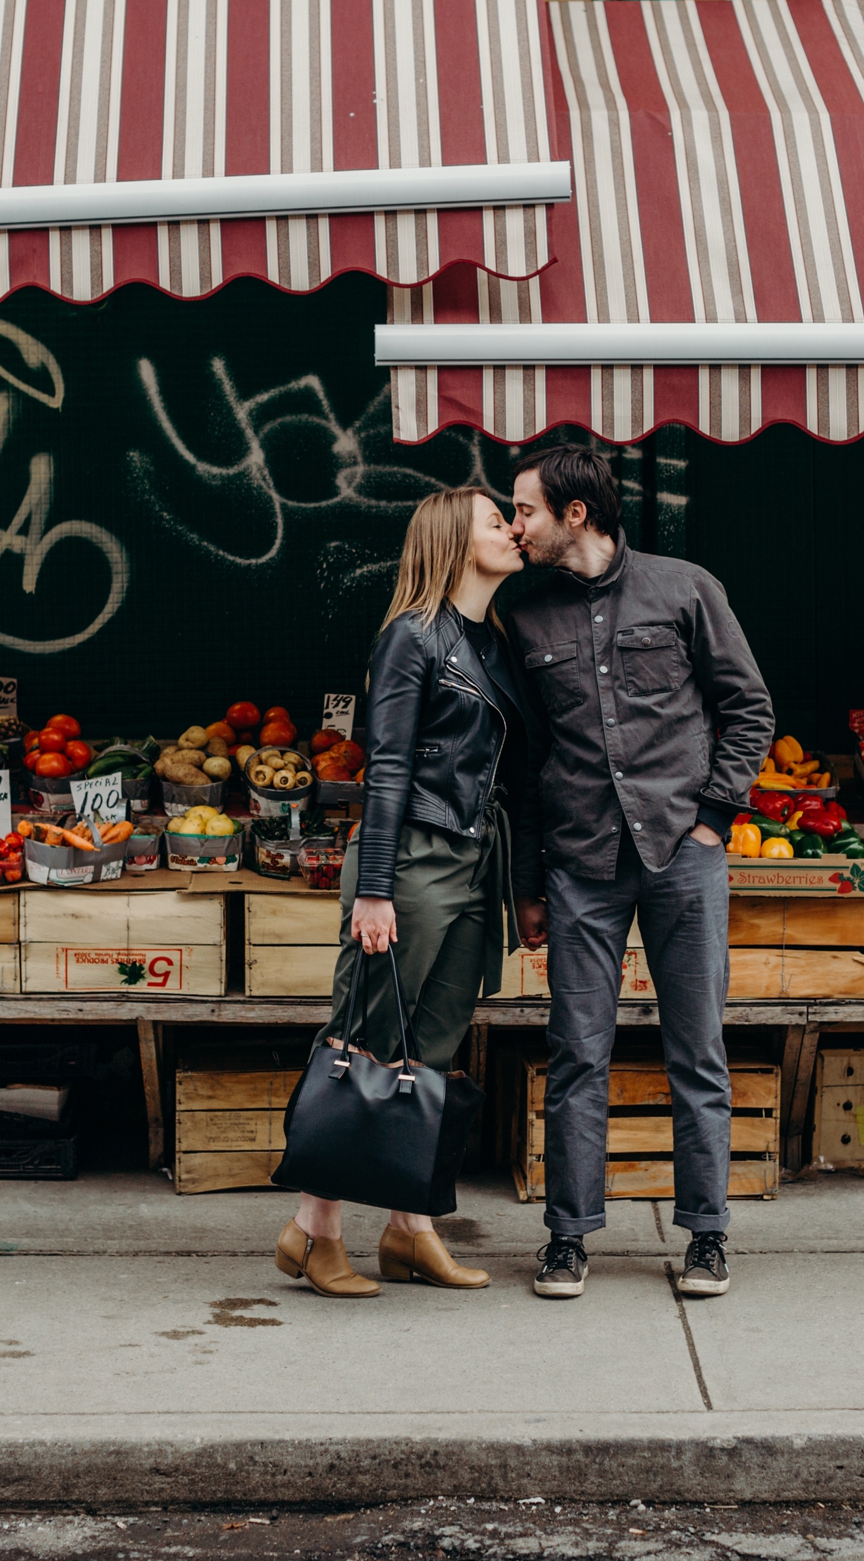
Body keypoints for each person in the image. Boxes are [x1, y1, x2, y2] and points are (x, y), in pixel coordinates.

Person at [503, 446, 775, 1300]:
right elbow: (527, 756)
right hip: (581, 861)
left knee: (697, 1048)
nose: (516, 527)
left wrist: (713, 820)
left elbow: (749, 707)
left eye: (526, 511)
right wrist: (528, 881)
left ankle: (706, 1236)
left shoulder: (686, 587)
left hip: (681, 857)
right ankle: (567, 1237)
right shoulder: (525, 611)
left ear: (575, 513)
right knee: (576, 1053)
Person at [273, 486, 543, 1298]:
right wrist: (376, 888)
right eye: (498, 522)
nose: (513, 529)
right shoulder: (409, 637)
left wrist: (521, 886)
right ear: (455, 541)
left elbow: (516, 779)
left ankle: (408, 1229)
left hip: (473, 864)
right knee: (366, 1040)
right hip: (414, 857)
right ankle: (312, 1231)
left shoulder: (493, 641)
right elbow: (386, 766)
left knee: (430, 1048)